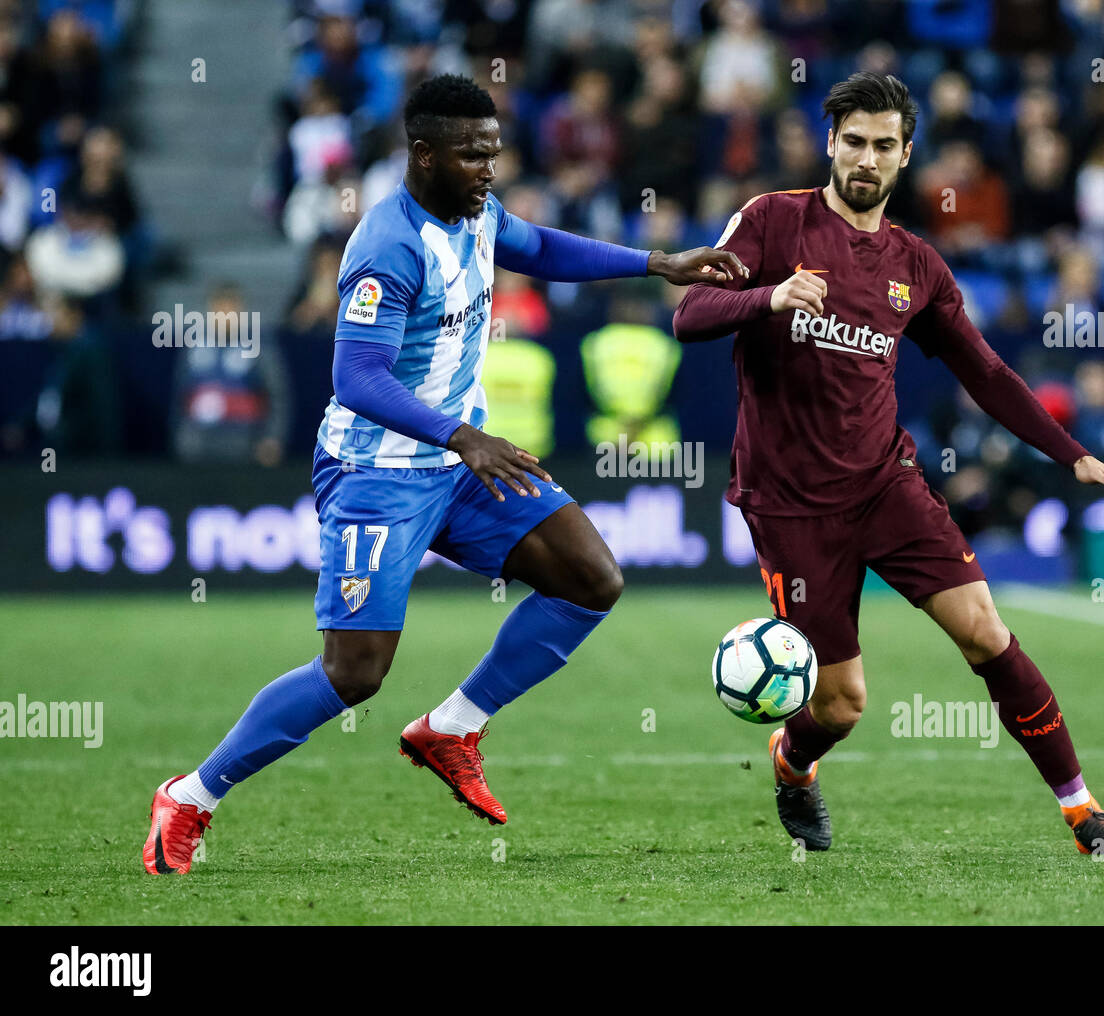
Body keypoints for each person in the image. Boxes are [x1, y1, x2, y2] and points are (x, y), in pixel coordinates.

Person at [144, 74, 745, 874]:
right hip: (378, 472)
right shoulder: (387, 244)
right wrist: (465, 437)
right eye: (471, 157)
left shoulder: (476, 210)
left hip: (459, 461)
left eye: (494, 155)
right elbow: (357, 377)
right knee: (354, 674)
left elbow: (535, 245)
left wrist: (657, 261)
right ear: (421, 155)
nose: (488, 171)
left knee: (591, 578)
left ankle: (454, 726)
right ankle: (190, 797)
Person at [673, 72, 1104, 856]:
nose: (866, 157)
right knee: (840, 708)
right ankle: (794, 765)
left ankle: (1082, 814)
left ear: (905, 156)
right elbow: (689, 313)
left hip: (886, 485)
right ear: (830, 143)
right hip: (791, 506)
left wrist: (1076, 457)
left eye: (884, 145)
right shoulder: (770, 223)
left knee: (987, 635)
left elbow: (987, 373)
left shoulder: (916, 264)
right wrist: (768, 299)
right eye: (854, 141)